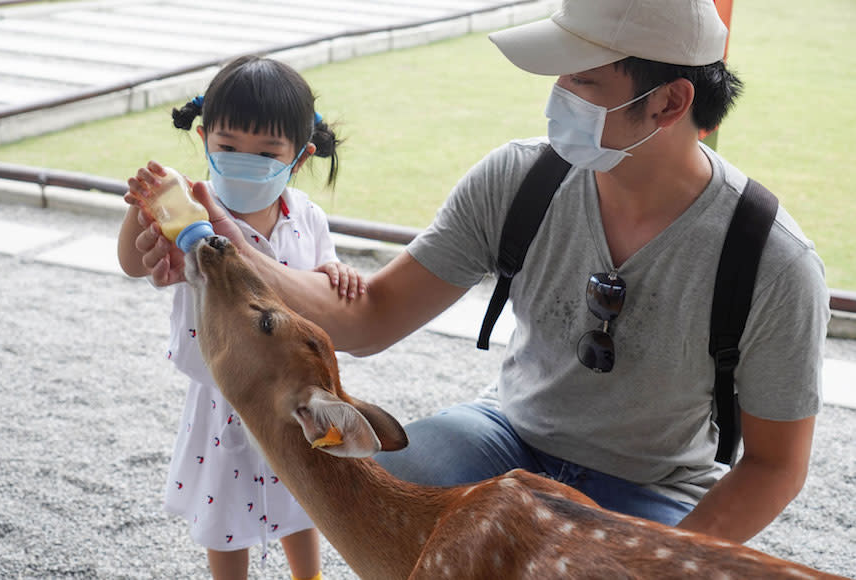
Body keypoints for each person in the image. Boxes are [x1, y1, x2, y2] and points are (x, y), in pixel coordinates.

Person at [128, 1, 829, 545]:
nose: (558, 97)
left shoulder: (771, 262)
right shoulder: (518, 179)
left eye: (582, 82)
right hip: (506, 435)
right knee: (372, 482)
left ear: (671, 102)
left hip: (652, 485)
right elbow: (370, 317)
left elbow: (775, 466)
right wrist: (226, 242)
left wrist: (660, 562)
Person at [117, 55, 364, 580]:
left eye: (266, 151)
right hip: (224, 393)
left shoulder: (307, 217)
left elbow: (321, 273)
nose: (243, 160)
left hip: (296, 389)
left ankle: (309, 576)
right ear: (205, 139)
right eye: (227, 147)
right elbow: (131, 263)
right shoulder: (189, 213)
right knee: (225, 504)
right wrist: (140, 212)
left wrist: (337, 270)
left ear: (298, 158)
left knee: (303, 491)